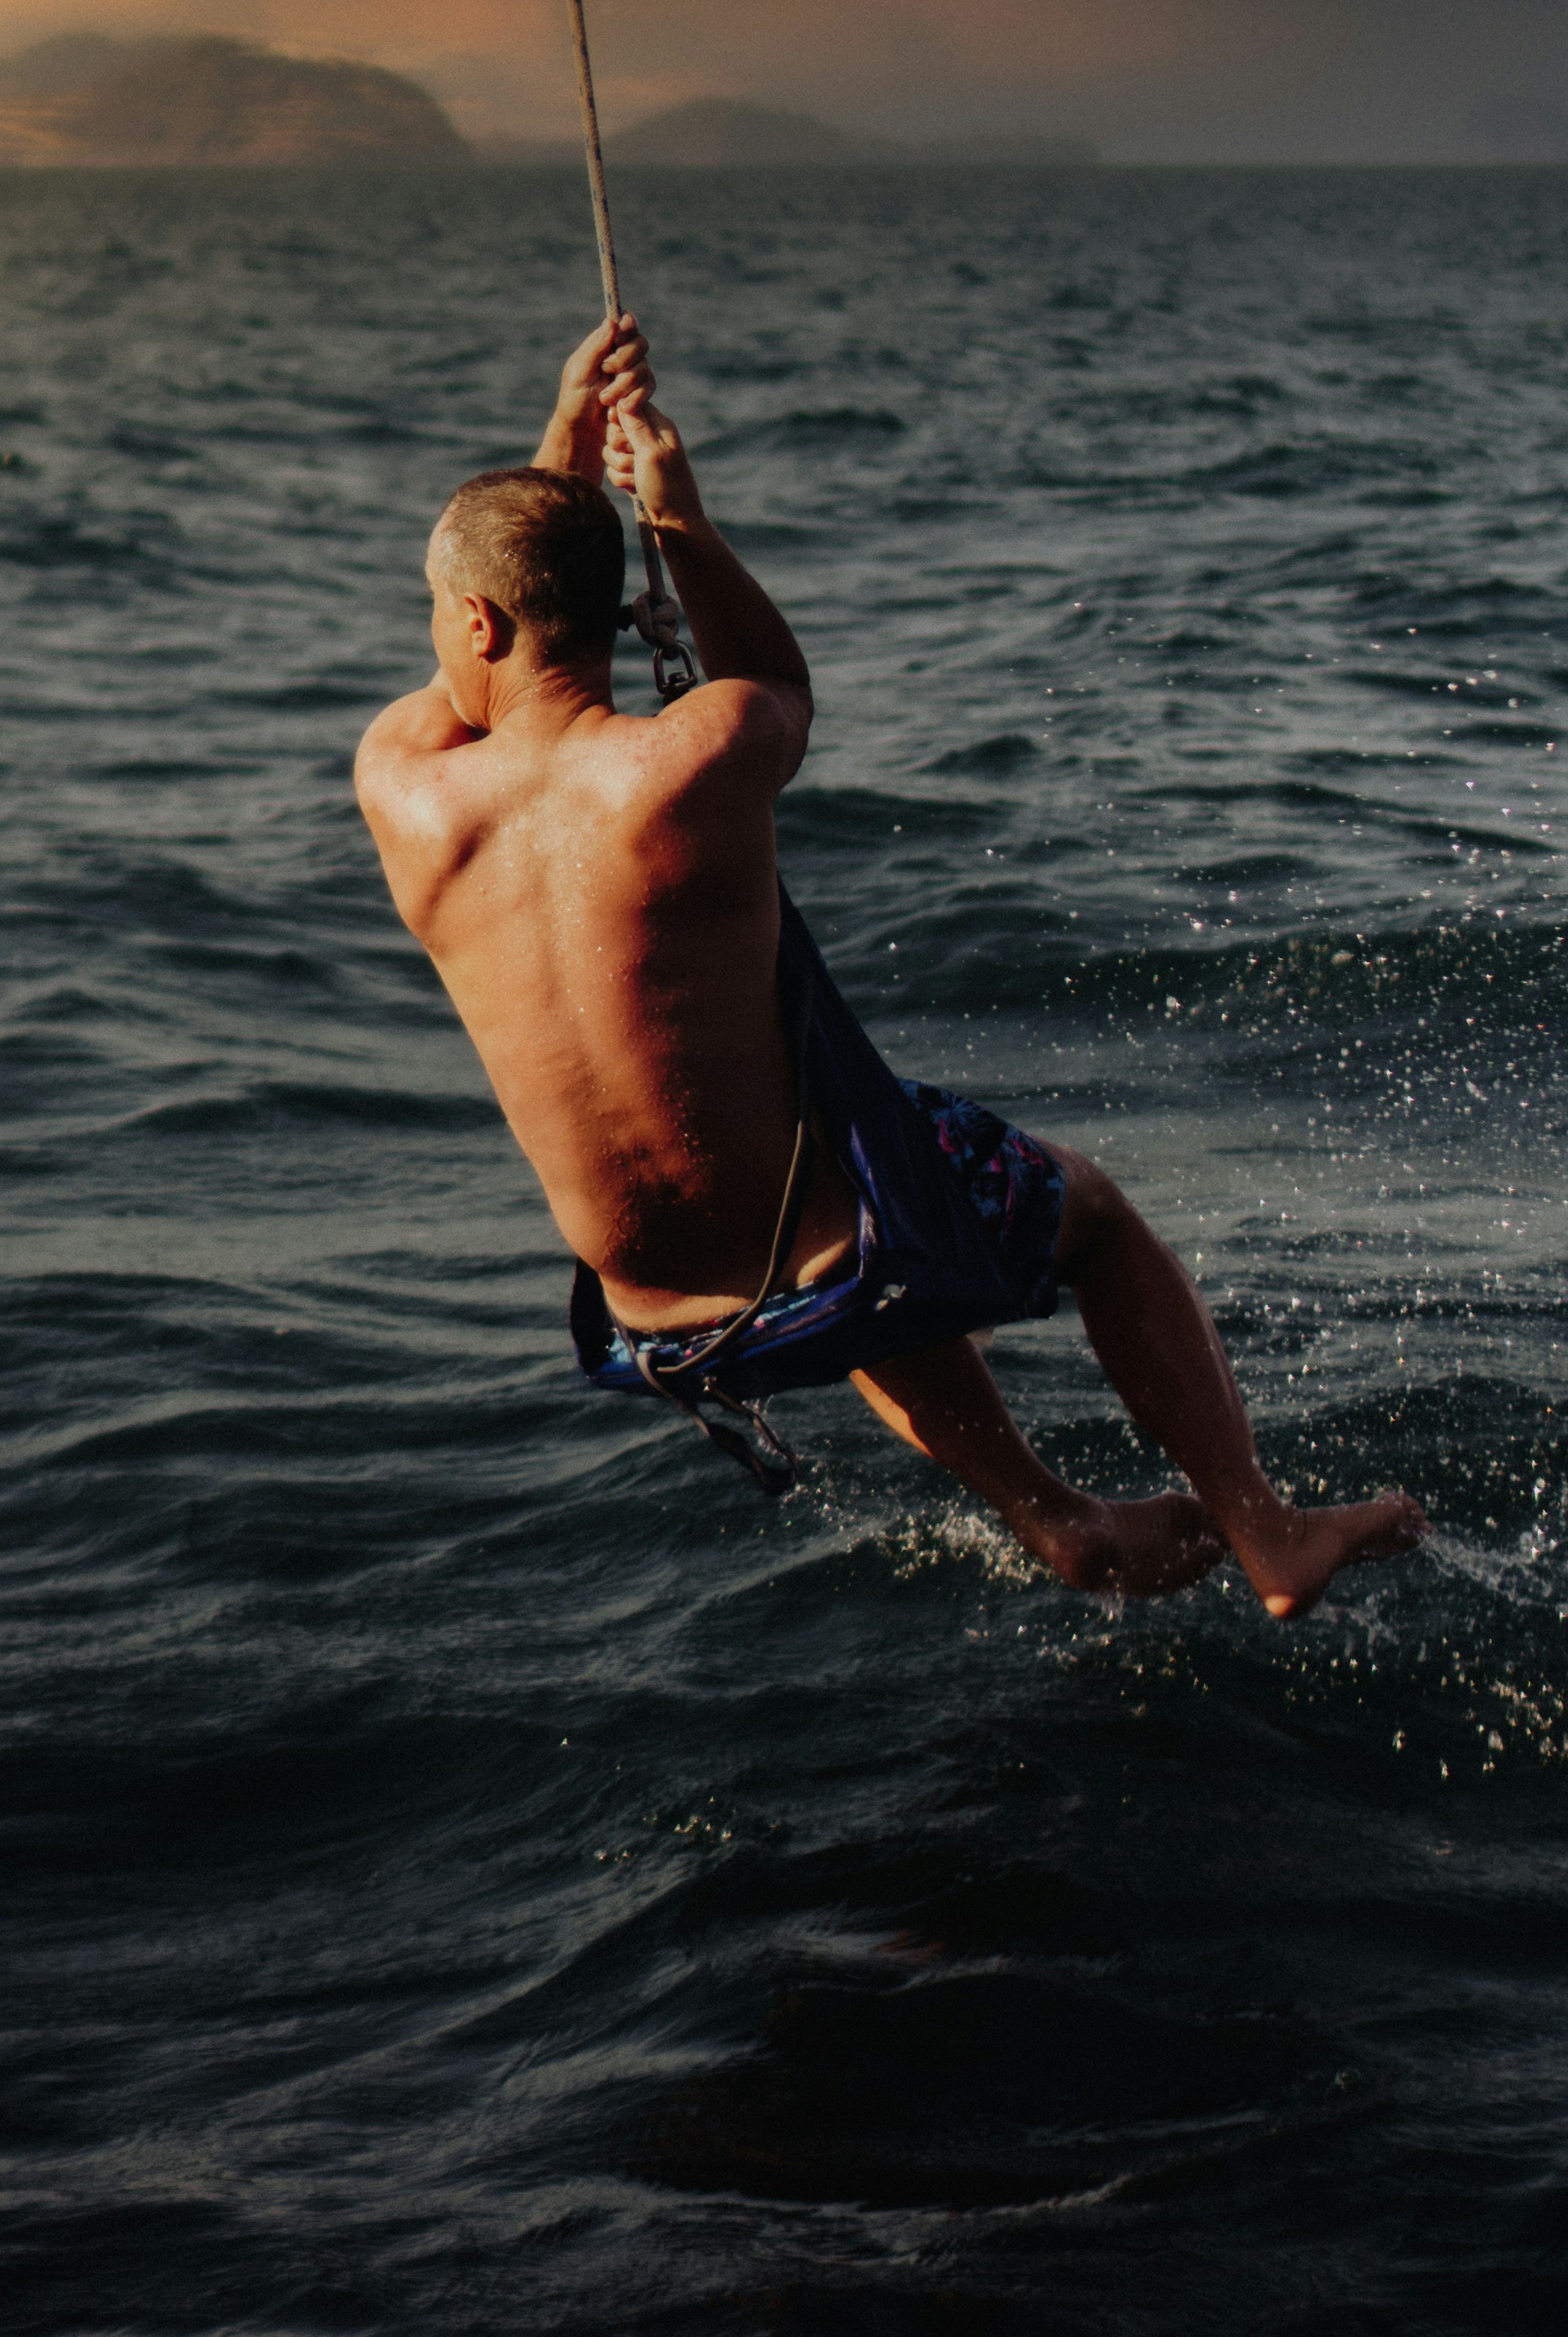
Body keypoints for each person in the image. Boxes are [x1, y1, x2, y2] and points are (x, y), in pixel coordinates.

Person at [354, 313, 1427, 1613]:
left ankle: (1056, 1522)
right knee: (1078, 1216)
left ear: (470, 619)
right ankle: (1267, 1531)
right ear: (592, 612)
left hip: (662, 1325)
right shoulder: (704, 749)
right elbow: (777, 678)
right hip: (822, 1255)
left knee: (848, 1164)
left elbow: (478, 643)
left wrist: (563, 452)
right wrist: (677, 516)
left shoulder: (403, 792)